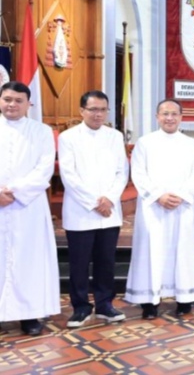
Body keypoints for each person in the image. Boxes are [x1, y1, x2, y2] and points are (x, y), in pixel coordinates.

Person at [125, 99, 194, 319]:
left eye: (174, 114)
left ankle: (184, 298)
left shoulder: (191, 144)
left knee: (183, 250)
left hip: (183, 206)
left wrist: (181, 195)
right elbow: (138, 173)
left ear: (181, 117)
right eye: (165, 114)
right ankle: (149, 302)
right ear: (157, 117)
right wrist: (159, 196)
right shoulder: (145, 143)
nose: (169, 118)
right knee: (151, 251)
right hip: (154, 208)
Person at [59, 90, 129, 328]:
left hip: (109, 211)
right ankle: (80, 307)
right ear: (82, 111)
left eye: (102, 110)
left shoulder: (115, 136)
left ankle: (105, 304)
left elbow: (122, 171)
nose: (98, 114)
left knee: (106, 261)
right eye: (93, 110)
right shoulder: (68, 137)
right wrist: (94, 202)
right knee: (79, 263)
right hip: (81, 211)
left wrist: (109, 198)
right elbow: (69, 175)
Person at [0, 81, 59, 336]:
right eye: (7, 99)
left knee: (29, 260)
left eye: (18, 100)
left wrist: (14, 191)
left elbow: (44, 169)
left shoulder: (41, 131)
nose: (12, 104)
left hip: (28, 206)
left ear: (28, 104)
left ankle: (29, 314)